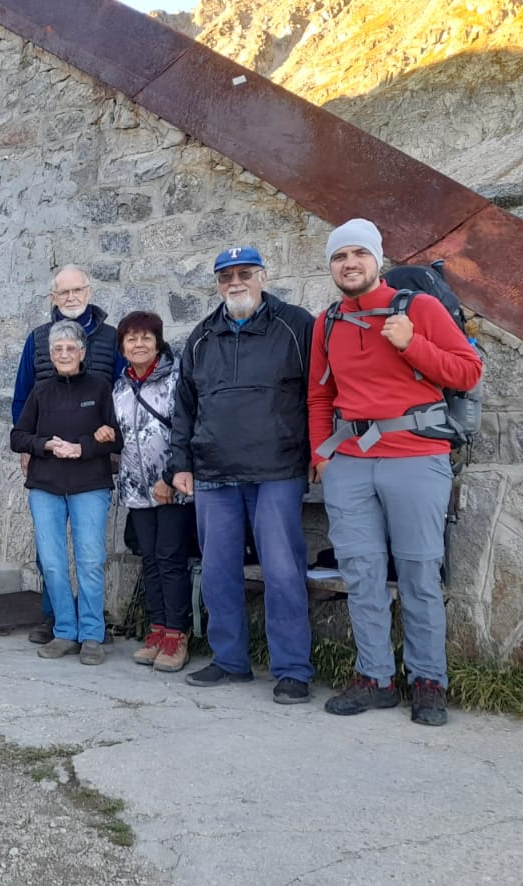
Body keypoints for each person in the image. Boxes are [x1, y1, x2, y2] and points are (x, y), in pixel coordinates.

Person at [309, 220, 482, 726]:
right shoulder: (327, 323)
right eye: (340, 257)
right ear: (332, 266)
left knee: (418, 573)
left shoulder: (420, 309)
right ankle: (376, 678)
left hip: (416, 457)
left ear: (377, 260)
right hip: (350, 464)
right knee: (361, 576)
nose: (350, 264)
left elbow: (467, 372)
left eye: (359, 254)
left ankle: (428, 681)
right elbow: (319, 395)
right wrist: (322, 454)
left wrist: (412, 345)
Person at [169, 246, 317, 704]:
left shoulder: (296, 326)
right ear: (217, 283)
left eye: (244, 273)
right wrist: (181, 464)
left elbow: (319, 392)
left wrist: (316, 451)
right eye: (225, 276)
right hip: (214, 470)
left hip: (277, 468)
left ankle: (292, 668)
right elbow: (184, 408)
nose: (235, 282)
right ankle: (230, 659)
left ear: (262, 276)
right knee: (217, 572)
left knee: (282, 571)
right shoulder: (200, 336)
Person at [12, 264, 120, 644]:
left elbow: (117, 421)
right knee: (53, 561)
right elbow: (21, 407)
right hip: (46, 475)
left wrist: (96, 445)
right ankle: (59, 625)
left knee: (90, 560)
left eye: (77, 291)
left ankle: (91, 632)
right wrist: (36, 447)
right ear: (53, 298)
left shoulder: (109, 351)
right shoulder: (37, 348)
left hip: (92, 474)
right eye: (64, 292)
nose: (71, 298)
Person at [111, 311, 195, 673]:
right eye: (131, 339)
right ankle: (157, 629)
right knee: (150, 559)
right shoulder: (120, 386)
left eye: (146, 337)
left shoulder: (176, 379)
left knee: (170, 559)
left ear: (158, 342)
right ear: (123, 347)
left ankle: (177, 634)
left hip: (171, 485)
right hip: (135, 487)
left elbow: (185, 428)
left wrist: (170, 475)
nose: (139, 344)